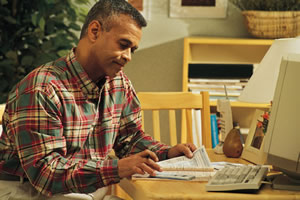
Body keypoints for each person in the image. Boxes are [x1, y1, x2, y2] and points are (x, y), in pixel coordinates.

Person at [0, 0, 196, 199]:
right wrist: (117, 168)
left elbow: (130, 139)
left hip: (84, 189)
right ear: (94, 31)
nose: (128, 56)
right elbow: (46, 175)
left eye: (133, 50)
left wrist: (167, 153)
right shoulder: (41, 88)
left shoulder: (119, 84)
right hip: (26, 190)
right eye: (123, 44)